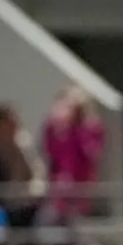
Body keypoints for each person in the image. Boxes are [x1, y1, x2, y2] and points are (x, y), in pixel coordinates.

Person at [42, 86, 106, 226]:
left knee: (75, 225)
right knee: (48, 221)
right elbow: (50, 152)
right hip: (60, 185)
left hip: (81, 185)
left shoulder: (92, 127)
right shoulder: (57, 127)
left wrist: (79, 130)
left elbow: (92, 154)